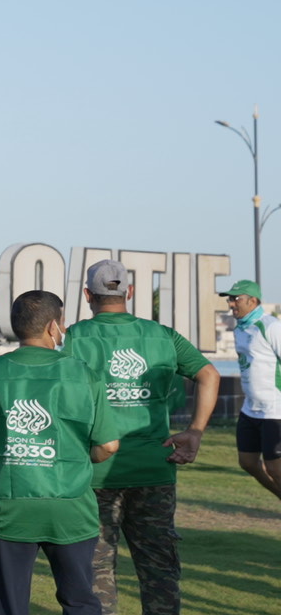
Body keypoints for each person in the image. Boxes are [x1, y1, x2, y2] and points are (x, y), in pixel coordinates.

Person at [64, 259, 221, 615]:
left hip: (96, 470)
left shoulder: (73, 338)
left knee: (96, 567)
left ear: (87, 295)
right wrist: (195, 431)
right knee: (159, 567)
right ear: (130, 292)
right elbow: (210, 375)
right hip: (154, 467)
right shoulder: (162, 336)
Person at [0, 290, 120, 615]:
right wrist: (76, 456)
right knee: (80, 601)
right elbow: (108, 445)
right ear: (52, 327)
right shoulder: (83, 373)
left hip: (7, 508)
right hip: (70, 507)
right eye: (63, 323)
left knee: (10, 606)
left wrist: (5, 445)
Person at [220, 279, 281, 501]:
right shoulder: (240, 329)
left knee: (275, 468)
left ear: (253, 301)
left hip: (274, 410)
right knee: (247, 462)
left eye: (236, 299)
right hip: (250, 409)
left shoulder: (271, 326)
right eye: (229, 299)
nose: (231, 303)